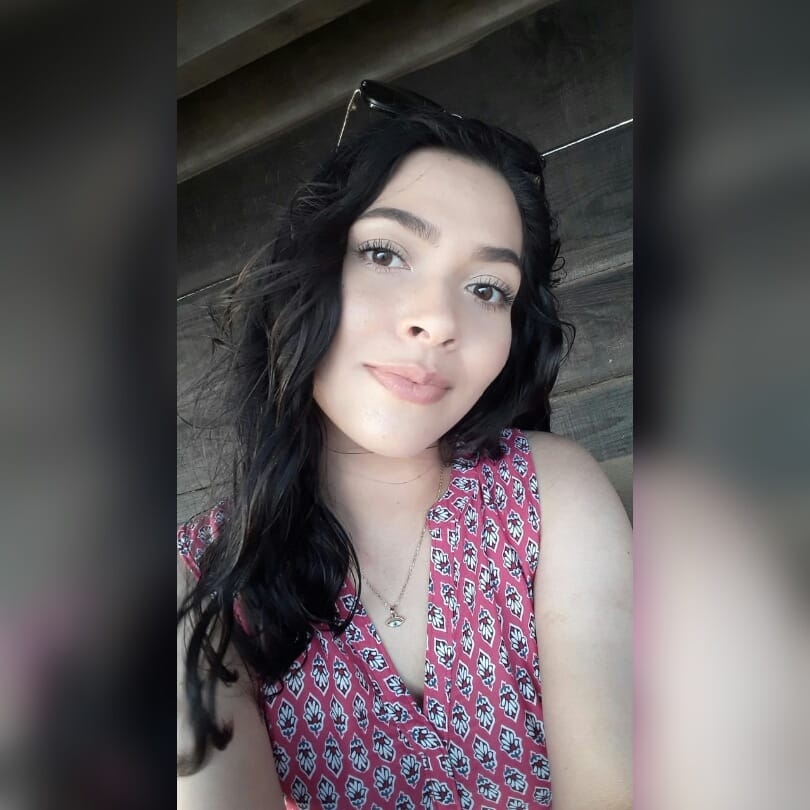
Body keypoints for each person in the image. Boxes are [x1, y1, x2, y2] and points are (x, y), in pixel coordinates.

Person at [177, 81, 632, 810]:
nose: (437, 320)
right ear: (307, 273)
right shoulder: (200, 584)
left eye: (487, 289)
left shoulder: (549, 495)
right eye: (385, 253)